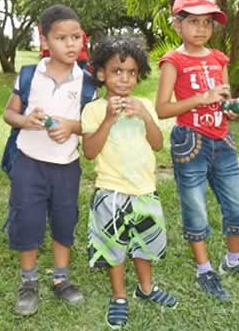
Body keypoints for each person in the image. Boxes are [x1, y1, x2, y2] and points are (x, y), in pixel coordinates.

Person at [156, 0, 239, 302]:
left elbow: (224, 102)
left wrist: (231, 108)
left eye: (208, 22)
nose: (202, 29)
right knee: (196, 210)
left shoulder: (219, 59)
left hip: (222, 141)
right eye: (194, 21)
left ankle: (233, 260)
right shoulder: (172, 61)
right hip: (190, 143)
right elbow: (163, 109)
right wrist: (199, 99)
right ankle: (204, 269)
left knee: (237, 205)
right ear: (177, 24)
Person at [1, 5, 93, 318]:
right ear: (45, 39)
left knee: (65, 220)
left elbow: (92, 124)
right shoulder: (30, 74)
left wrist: (72, 126)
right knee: (27, 218)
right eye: (62, 38)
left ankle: (60, 278)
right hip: (29, 163)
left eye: (76, 37)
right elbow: (8, 113)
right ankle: (28, 282)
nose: (71, 44)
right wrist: (25, 120)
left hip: (67, 166)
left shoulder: (88, 82)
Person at [82, 36, 177, 329]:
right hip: (111, 191)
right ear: (101, 74)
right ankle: (119, 297)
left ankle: (146, 289)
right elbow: (89, 152)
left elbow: (158, 144)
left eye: (131, 72)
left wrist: (147, 117)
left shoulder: (144, 104)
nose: (124, 79)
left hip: (145, 191)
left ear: (139, 75)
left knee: (144, 245)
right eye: (116, 71)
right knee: (114, 247)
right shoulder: (94, 110)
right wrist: (109, 120)